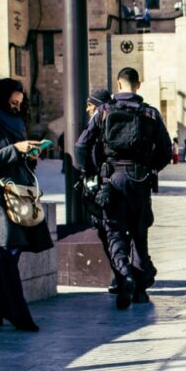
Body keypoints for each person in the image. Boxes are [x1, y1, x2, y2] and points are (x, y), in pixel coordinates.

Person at [0, 79, 53, 332]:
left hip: (21, 193)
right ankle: (17, 312)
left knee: (11, 252)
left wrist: (30, 155)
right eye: (13, 102)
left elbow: (18, 161)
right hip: (1, 195)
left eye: (19, 102)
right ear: (1, 99)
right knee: (10, 251)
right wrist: (15, 149)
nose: (17, 106)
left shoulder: (16, 122)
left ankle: (4, 309)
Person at [97, 68, 172, 309]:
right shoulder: (150, 113)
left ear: (118, 84)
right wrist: (150, 169)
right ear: (138, 85)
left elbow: (82, 146)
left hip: (112, 180)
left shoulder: (104, 111)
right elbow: (165, 150)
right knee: (140, 235)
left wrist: (97, 170)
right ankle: (140, 289)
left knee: (115, 232)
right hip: (140, 180)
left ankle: (123, 275)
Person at [74, 88, 120, 295]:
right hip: (126, 178)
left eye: (90, 104)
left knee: (107, 229)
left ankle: (119, 276)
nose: (87, 109)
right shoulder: (121, 119)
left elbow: (82, 147)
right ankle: (128, 276)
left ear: (98, 105)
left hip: (102, 181)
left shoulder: (99, 120)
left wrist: (86, 170)